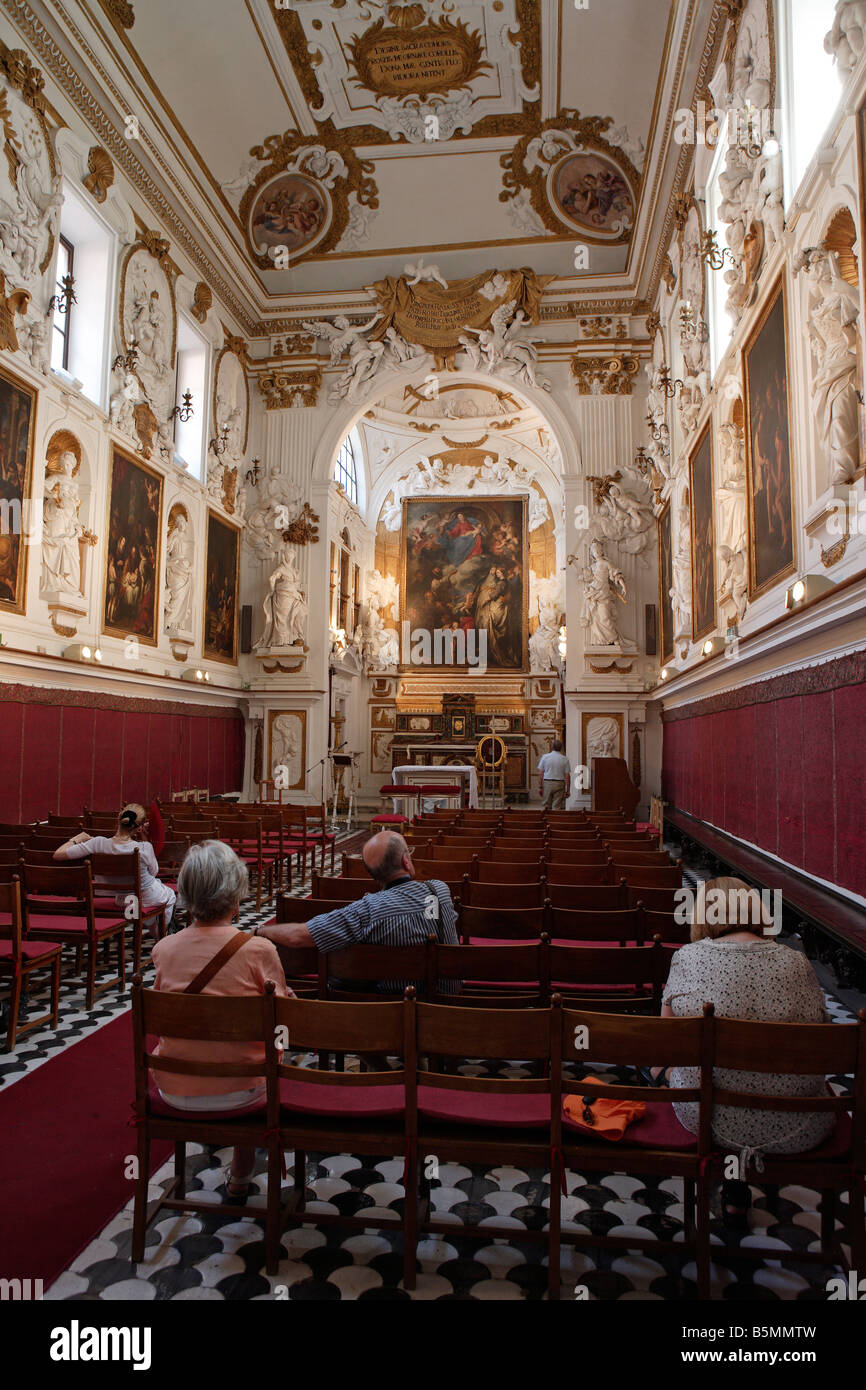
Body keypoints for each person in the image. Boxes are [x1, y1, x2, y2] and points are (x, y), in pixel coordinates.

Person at [660, 876, 834, 1224]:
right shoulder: (797, 963)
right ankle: (736, 1188)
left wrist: (661, 1071)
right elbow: (824, 1045)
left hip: (708, 1120)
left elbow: (666, 1042)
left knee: (668, 1069)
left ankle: (724, 1182)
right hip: (796, 1124)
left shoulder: (688, 958)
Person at [150, 840, 292, 1200]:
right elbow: (284, 1021)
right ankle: (241, 1174)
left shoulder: (163, 951)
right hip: (243, 1091)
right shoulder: (259, 949)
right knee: (264, 1052)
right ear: (236, 893)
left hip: (176, 1088)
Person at [258, 831, 459, 994]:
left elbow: (297, 937)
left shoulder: (367, 909)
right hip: (445, 1001)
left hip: (387, 1009)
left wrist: (261, 931)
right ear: (406, 861)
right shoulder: (439, 891)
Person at [54, 802, 177, 927]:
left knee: (146, 902)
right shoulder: (144, 847)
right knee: (170, 896)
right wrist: (144, 836)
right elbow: (154, 872)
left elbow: (58, 855)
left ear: (119, 817)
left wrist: (76, 839)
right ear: (139, 827)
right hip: (145, 896)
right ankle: (160, 935)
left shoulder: (97, 843)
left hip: (122, 899)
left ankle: (148, 927)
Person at [537, 740, 570, 810]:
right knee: (557, 806)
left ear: (552, 747)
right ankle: (555, 820)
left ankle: (546, 820)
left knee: (546, 806)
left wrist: (540, 786)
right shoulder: (565, 759)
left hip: (547, 783)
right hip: (559, 783)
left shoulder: (545, 757)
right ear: (561, 748)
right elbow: (567, 775)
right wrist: (568, 790)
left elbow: (541, 773)